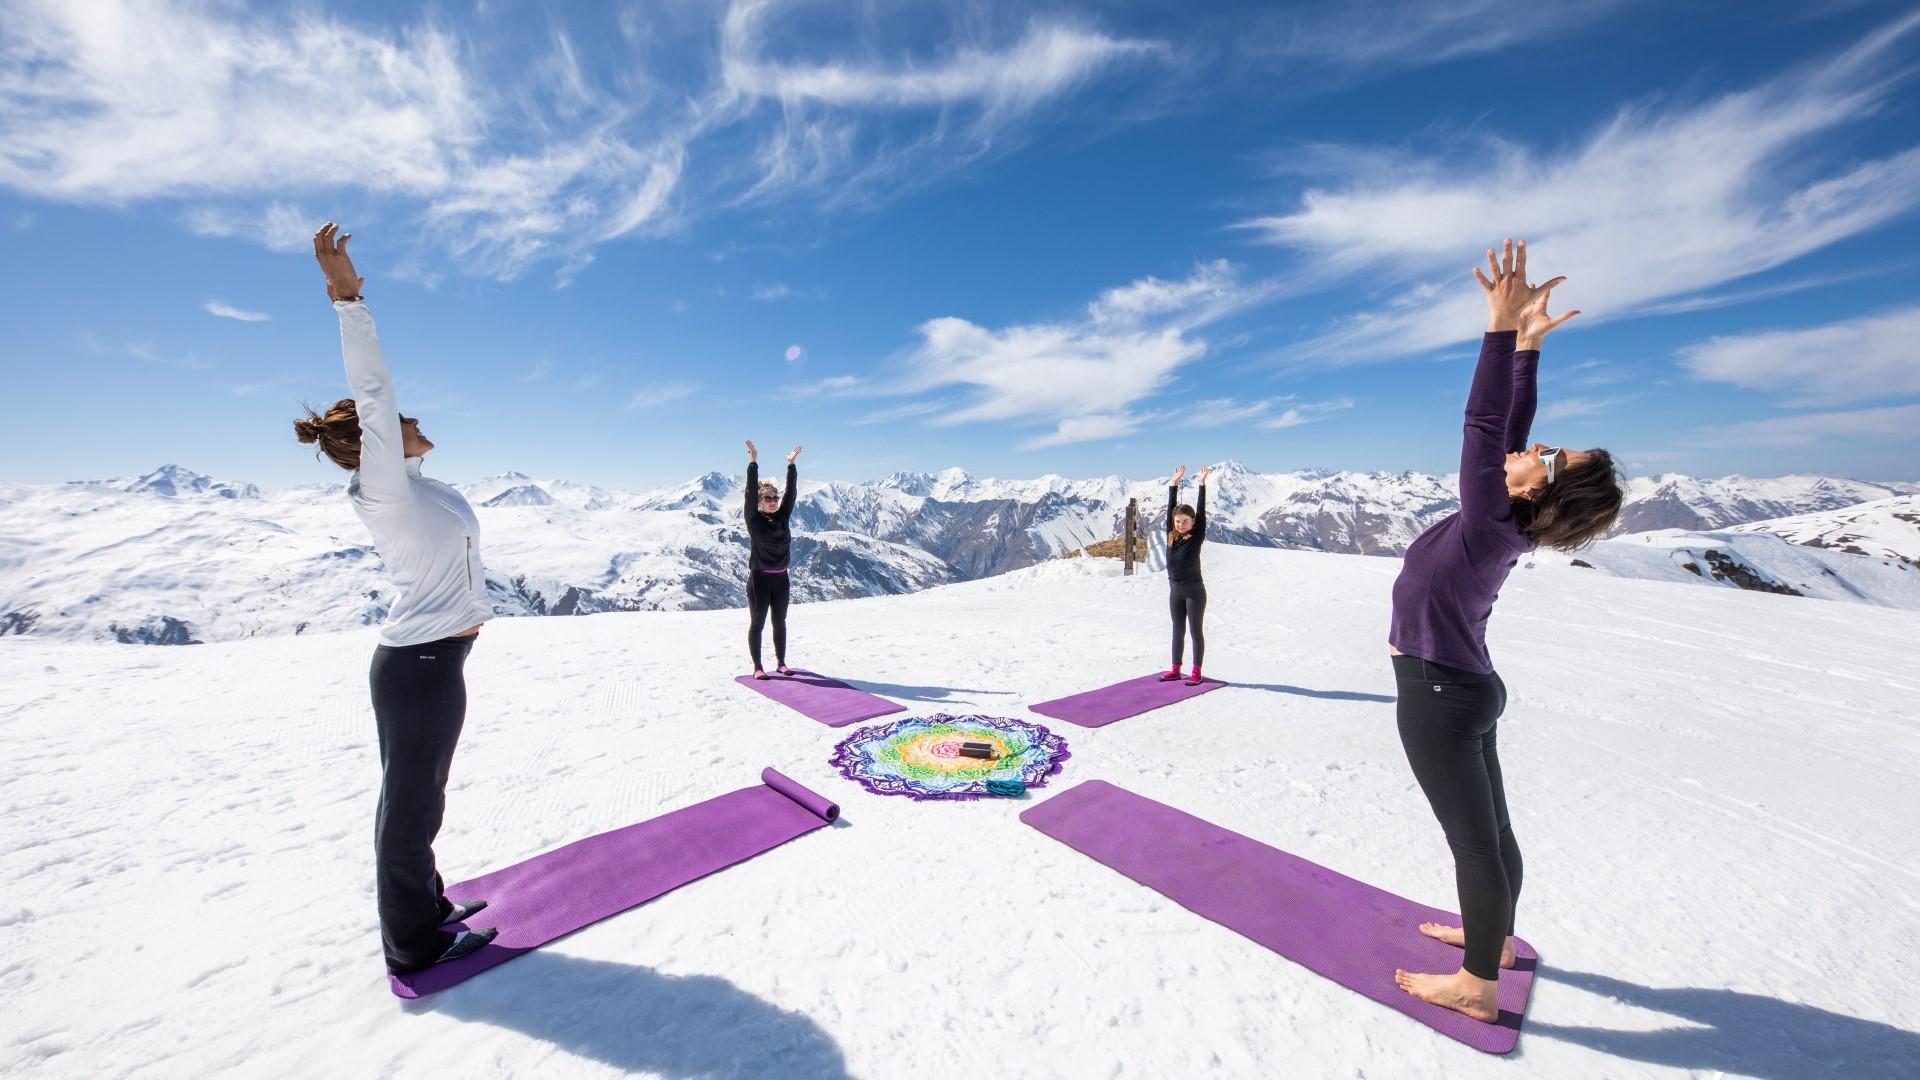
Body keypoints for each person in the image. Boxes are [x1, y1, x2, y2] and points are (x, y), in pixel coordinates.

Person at [1388, 239, 1624, 1022]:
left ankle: (1478, 987)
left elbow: (1484, 426)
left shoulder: (1491, 519)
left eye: (1549, 457)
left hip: (1438, 692)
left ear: (1536, 494)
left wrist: (1495, 332)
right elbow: (1509, 432)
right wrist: (1525, 347)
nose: (1536, 448)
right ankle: (1492, 940)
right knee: (1492, 832)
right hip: (1468, 688)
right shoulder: (1502, 519)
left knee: (1475, 845)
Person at [294, 223, 497, 975]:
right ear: (375, 444)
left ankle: (428, 904)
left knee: (418, 796)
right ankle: (414, 940)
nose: (414, 420)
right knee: (412, 805)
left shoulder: (411, 487)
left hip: (430, 659)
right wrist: (349, 298)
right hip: (421, 664)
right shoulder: (384, 487)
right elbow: (377, 393)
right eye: (400, 424)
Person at [743, 440, 802, 679]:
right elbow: (749, 493)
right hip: (759, 579)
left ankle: (781, 663)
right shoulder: (754, 520)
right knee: (758, 623)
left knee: (780, 622)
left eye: (774, 497)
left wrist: (790, 465)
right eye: (767, 497)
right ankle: (758, 666)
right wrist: (753, 462)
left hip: (781, 579)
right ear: (759, 501)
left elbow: (792, 493)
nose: (773, 501)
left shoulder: (783, 516)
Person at [1158, 464, 1211, 686]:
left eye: (1185, 522)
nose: (1181, 525)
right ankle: (1175, 669)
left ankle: (1196, 671)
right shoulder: (1171, 534)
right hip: (1175, 592)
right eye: (1178, 521)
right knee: (1177, 630)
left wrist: (1201, 485)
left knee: (1195, 631)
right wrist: (1173, 484)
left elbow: (1200, 511)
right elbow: (1171, 507)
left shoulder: (1196, 536)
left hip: (1194, 592)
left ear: (1193, 523)